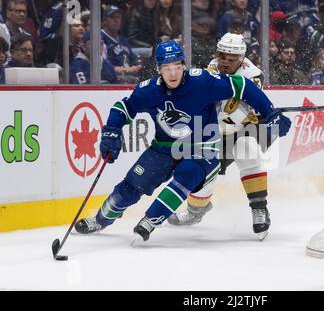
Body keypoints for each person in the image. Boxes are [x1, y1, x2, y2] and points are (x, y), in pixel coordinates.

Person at [74, 40, 291, 243]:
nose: (173, 73)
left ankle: (151, 220)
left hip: (202, 147)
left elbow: (243, 86)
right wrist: (111, 131)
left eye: (177, 67)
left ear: (184, 66)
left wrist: (269, 112)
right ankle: (100, 220)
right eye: (167, 68)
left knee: (189, 174)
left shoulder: (201, 81)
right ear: (158, 69)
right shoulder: (148, 90)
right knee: (131, 186)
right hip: (165, 147)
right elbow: (123, 107)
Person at [168, 33, 275, 239]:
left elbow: (235, 113)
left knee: (248, 151)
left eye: (231, 59)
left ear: (241, 58)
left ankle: (259, 209)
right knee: (202, 171)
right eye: (222, 56)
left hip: (244, 128)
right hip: (216, 131)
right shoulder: (212, 67)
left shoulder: (253, 75)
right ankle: (196, 211)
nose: (225, 62)